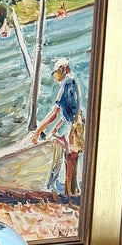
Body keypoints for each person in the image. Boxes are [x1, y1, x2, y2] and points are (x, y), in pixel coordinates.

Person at [33, 59, 85, 198]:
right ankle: (73, 191)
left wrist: (38, 132)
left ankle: (67, 193)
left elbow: (55, 112)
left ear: (64, 69)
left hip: (73, 126)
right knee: (73, 158)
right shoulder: (73, 83)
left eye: (57, 72)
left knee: (69, 157)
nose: (56, 76)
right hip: (77, 123)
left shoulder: (66, 84)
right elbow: (69, 110)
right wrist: (57, 127)